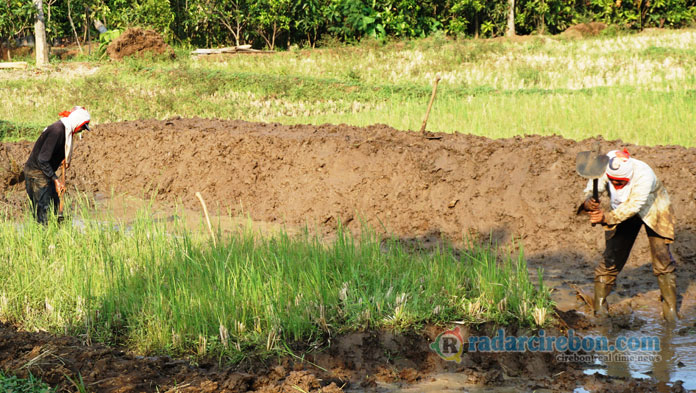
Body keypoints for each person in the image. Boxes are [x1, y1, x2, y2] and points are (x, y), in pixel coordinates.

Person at [580, 148, 678, 322]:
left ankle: (670, 313)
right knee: (611, 259)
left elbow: (634, 206)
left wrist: (606, 217)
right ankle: (600, 310)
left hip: (654, 208)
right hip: (620, 209)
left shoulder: (644, 174)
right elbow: (591, 187)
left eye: (621, 183)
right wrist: (589, 200)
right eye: (614, 182)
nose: (617, 186)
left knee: (662, 260)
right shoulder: (604, 167)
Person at [24, 106, 91, 224]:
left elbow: (51, 151)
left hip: (44, 172)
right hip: (37, 174)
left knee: (53, 206)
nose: (82, 130)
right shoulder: (57, 131)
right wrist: (56, 180)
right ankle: (43, 238)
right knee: (43, 212)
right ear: (77, 122)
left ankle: (53, 235)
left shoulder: (64, 129)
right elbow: (43, 159)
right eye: (82, 127)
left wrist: (61, 157)